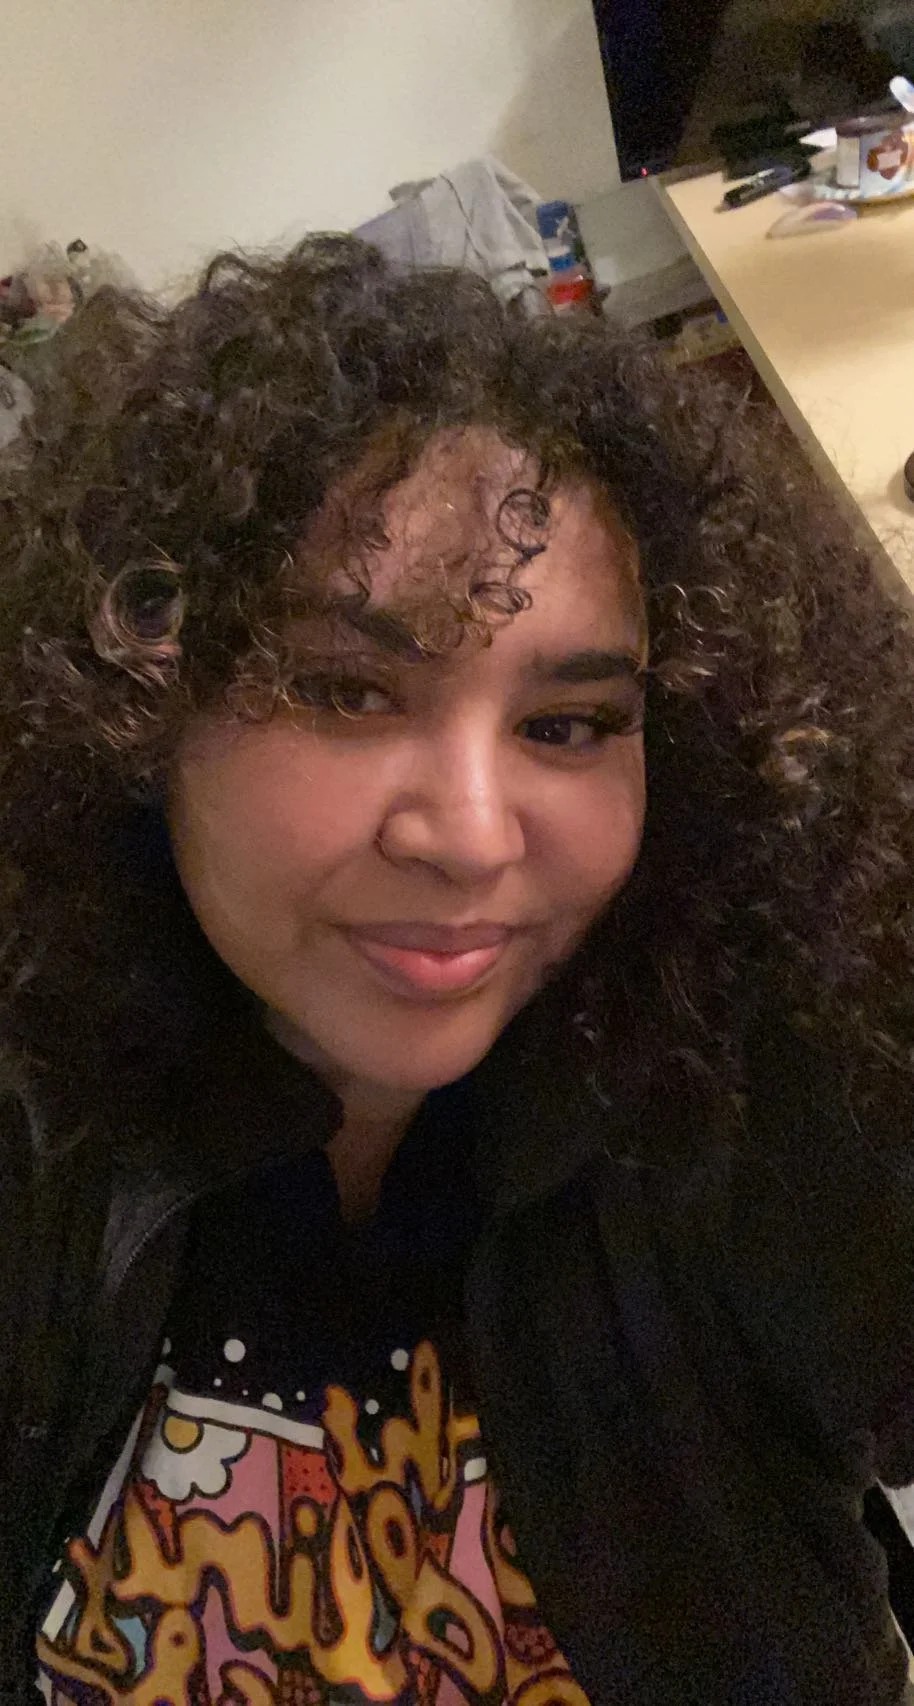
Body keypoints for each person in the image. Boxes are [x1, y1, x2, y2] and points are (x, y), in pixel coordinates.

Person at [1, 235, 913, 1706]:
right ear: (137, 707)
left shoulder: (758, 1095)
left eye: (566, 725)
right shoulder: (39, 1119)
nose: (472, 836)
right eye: (344, 689)